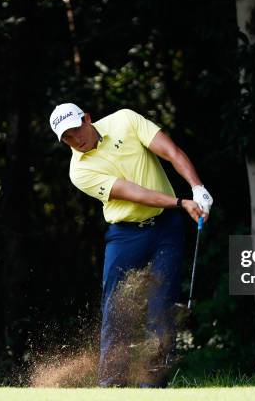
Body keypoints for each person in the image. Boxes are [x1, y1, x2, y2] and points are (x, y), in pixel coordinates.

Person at [48, 103, 214, 387]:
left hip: (166, 230)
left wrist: (197, 188)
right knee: (117, 309)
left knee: (161, 307)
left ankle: (154, 387)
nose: (76, 141)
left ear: (87, 119)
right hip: (125, 236)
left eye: (76, 131)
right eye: (68, 139)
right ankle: (111, 384)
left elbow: (170, 152)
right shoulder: (79, 171)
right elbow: (133, 193)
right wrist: (181, 202)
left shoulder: (125, 120)